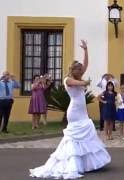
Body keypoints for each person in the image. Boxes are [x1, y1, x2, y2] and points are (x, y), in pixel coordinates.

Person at [30, 40, 111, 179]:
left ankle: (85, 164)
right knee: (73, 137)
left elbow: (86, 65)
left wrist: (86, 50)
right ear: (72, 70)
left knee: (87, 133)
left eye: (80, 70)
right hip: (74, 111)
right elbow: (77, 83)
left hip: (83, 111)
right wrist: (85, 82)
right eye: (77, 69)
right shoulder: (67, 79)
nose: (80, 71)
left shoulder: (79, 76)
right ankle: (72, 164)